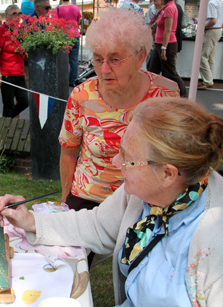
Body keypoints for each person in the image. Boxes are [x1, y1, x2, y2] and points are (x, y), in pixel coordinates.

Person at [0, 97, 223, 307]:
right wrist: (31, 221)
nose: (117, 162)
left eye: (127, 157)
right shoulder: (149, 192)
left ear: (168, 173)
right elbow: (97, 226)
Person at [59, 9, 178, 213]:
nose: (104, 69)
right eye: (98, 59)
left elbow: (173, 155)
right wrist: (66, 200)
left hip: (143, 201)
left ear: (140, 57)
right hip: (88, 200)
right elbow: (68, 152)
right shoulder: (82, 96)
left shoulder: (166, 95)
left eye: (115, 59)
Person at [0, 5, 29, 118]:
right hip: (7, 74)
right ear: (6, 16)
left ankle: (6, 120)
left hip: (19, 73)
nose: (17, 16)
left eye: (19, 14)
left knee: (24, 102)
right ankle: (8, 125)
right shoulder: (1, 30)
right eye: (14, 14)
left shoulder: (20, 31)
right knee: (8, 105)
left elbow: (22, 51)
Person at [148, 0, 187, 97]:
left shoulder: (170, 8)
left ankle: (183, 95)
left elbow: (168, 29)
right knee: (153, 70)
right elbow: (157, 27)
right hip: (159, 43)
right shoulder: (165, 8)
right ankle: (152, 93)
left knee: (170, 72)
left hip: (166, 44)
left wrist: (164, 47)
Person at [198, 0, 223, 90]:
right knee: (210, 57)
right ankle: (209, 78)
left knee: (202, 56)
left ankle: (207, 80)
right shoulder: (219, 2)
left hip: (212, 30)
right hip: (218, 30)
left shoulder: (211, 3)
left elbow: (213, 20)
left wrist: (202, 26)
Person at [54, 0, 82, 86]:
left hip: (63, 36)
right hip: (74, 35)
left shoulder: (57, 9)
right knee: (74, 60)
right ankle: (72, 81)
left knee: (62, 59)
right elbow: (79, 19)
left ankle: (62, 80)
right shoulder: (75, 8)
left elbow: (55, 23)